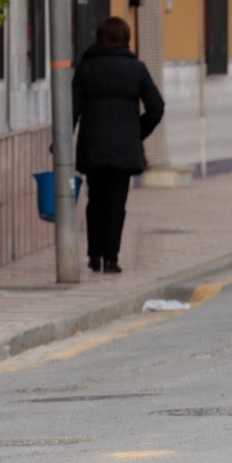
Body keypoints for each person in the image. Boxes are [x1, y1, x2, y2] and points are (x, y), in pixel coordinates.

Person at [73, 16, 165, 274]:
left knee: (95, 200)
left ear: (99, 38)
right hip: (124, 148)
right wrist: (137, 133)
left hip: (93, 145)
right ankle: (112, 258)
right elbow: (157, 108)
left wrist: (60, 140)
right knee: (116, 203)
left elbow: (72, 108)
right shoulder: (136, 69)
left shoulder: (86, 67)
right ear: (125, 39)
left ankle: (95, 255)